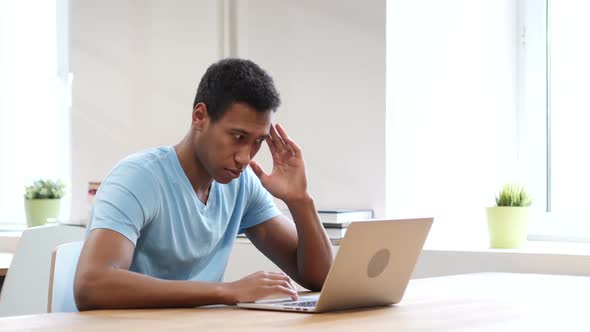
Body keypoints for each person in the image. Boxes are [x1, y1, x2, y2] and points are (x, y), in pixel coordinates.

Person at [73, 58, 334, 310]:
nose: (245, 157)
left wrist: (300, 201)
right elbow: (91, 284)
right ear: (200, 117)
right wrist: (227, 292)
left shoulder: (241, 184)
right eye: (237, 136)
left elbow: (320, 278)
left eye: (257, 142)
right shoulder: (138, 178)